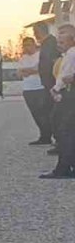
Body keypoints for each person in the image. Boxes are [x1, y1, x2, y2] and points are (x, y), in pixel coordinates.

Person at [40, 24, 75, 179]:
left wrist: (56, 88)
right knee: (65, 130)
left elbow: (65, 74)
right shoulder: (68, 54)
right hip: (67, 93)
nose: (59, 46)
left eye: (62, 42)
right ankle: (65, 165)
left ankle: (64, 167)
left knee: (63, 130)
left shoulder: (72, 54)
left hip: (68, 94)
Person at [18, 37, 52, 145]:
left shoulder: (39, 56)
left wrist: (29, 70)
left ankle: (48, 135)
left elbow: (41, 69)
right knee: (35, 114)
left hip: (40, 88)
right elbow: (19, 73)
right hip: (28, 89)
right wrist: (32, 70)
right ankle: (43, 135)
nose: (27, 47)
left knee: (44, 113)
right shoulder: (23, 58)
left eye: (28, 44)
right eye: (25, 45)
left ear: (34, 44)